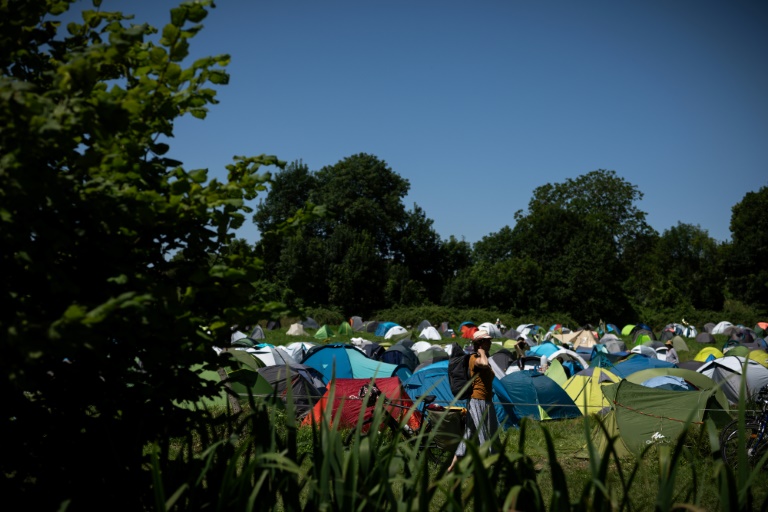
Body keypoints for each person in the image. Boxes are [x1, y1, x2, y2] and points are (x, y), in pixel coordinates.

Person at [447, 329, 499, 472]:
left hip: (486, 401)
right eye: (487, 340)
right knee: (484, 434)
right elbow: (482, 363)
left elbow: (489, 375)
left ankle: (453, 465)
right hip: (477, 401)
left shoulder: (483, 359)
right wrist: (482, 352)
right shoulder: (474, 358)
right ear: (480, 343)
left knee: (470, 434)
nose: (490, 342)